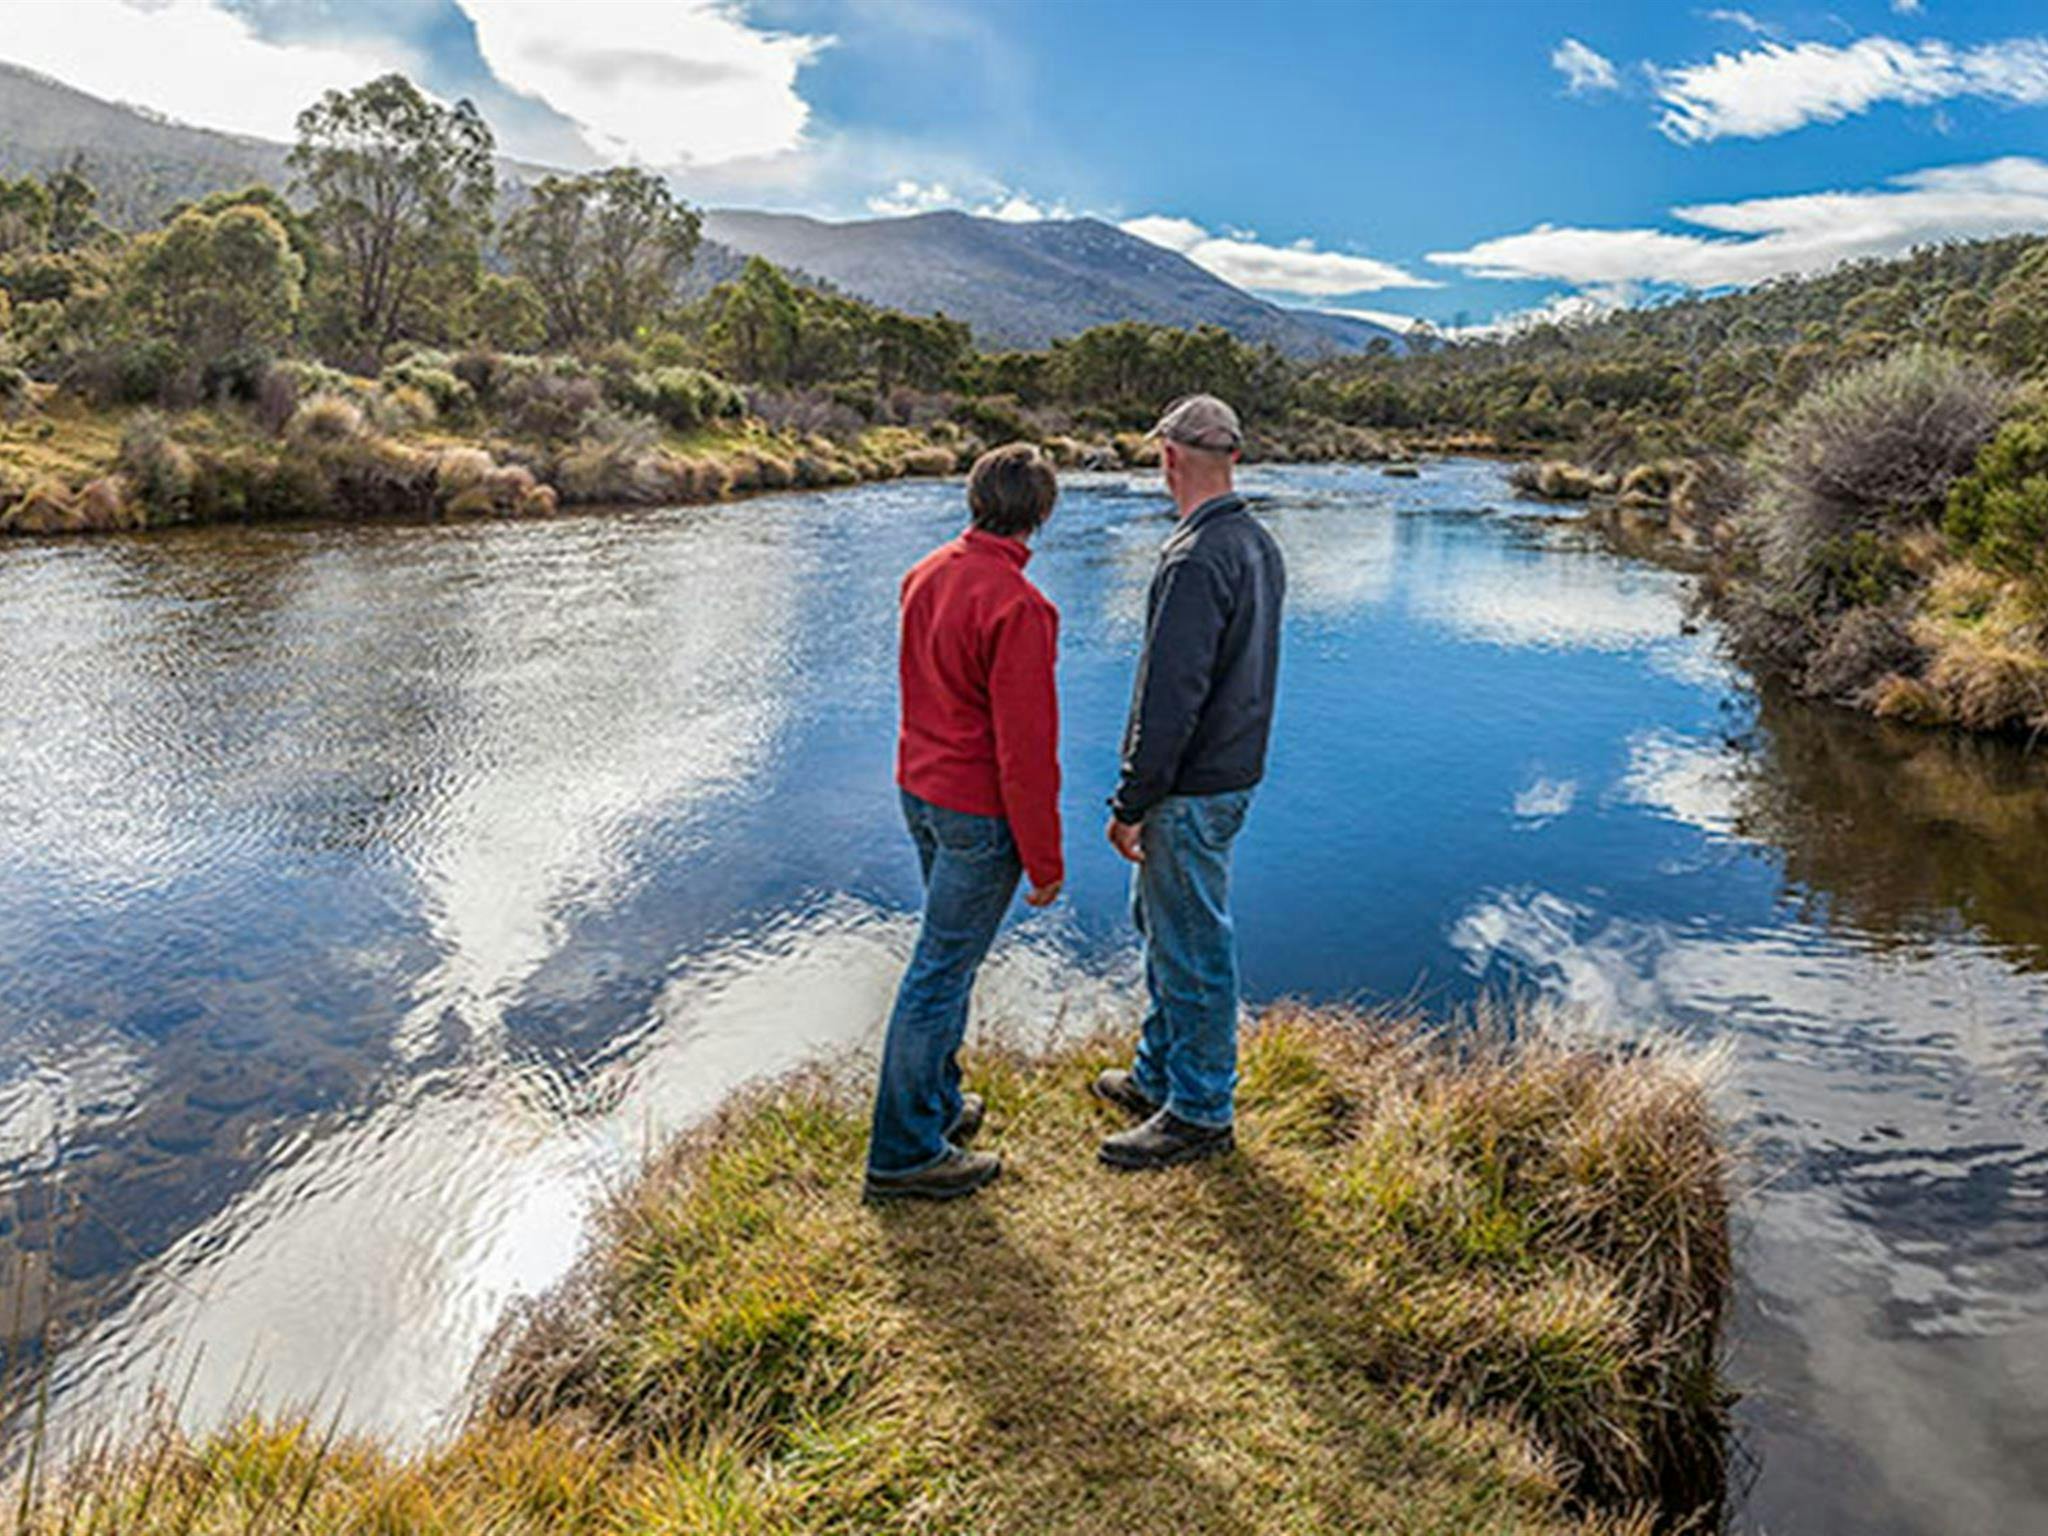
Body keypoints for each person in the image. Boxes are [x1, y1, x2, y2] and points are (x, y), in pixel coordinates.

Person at [864, 443, 1064, 1202]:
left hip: (920, 795)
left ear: (974, 498)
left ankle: (937, 1108)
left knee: (946, 964)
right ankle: (906, 1153)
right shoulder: (1021, 607)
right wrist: (1045, 860)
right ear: (1041, 513)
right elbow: (1026, 750)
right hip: (978, 815)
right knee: (940, 973)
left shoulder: (924, 573)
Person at [1096, 394, 1284, 1171]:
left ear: (1169, 457)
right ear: (1232, 457)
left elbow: (1167, 698)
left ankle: (1201, 1111)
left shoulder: (1193, 557)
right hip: (1231, 775)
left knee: (1193, 942)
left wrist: (1131, 802)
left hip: (1192, 788)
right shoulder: (1257, 543)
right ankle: (1157, 1076)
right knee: (1166, 925)